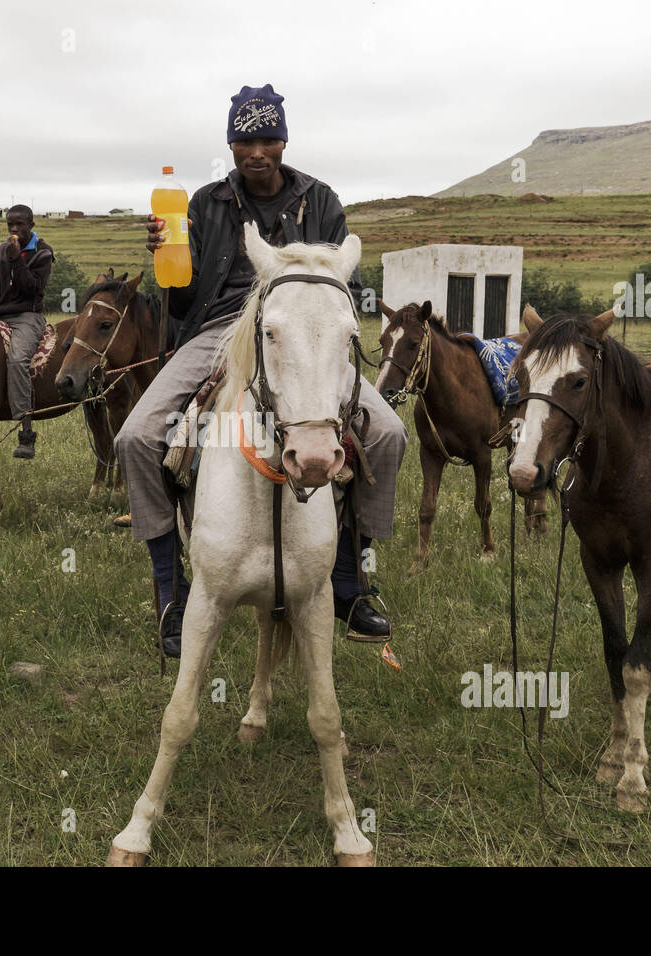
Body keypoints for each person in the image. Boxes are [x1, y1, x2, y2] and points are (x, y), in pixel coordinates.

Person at [114, 84, 407, 658]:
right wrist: (162, 262)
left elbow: (334, 283)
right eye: (245, 139)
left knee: (390, 432)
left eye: (267, 138)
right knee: (136, 437)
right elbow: (183, 287)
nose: (256, 150)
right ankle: (173, 591)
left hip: (300, 336)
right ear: (230, 143)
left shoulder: (320, 200)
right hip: (219, 332)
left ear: (282, 142)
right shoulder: (203, 204)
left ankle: (349, 582)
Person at [0, 205, 54, 459]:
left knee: (18, 359)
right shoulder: (1, 251)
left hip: (27, 317)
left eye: (20, 224)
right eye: (10, 224)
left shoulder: (42, 253)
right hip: (1, 315)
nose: (14, 229)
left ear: (31, 225)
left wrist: (16, 259)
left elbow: (32, 289)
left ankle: (26, 431)